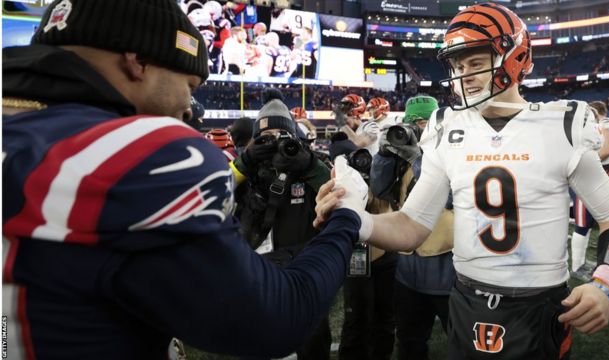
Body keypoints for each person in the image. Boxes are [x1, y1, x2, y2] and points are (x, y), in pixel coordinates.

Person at [2, 0, 362, 358]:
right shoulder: (146, 154)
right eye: (189, 85)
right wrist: (347, 218)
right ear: (138, 60)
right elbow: (279, 319)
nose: (189, 107)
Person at [314, 3, 609, 359]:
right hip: (466, 301)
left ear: (514, 57)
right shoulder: (446, 127)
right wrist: (355, 218)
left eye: (476, 63)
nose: (464, 75)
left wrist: (606, 282)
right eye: (458, 65)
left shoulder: (562, 124)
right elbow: (410, 227)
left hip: (539, 305)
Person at [230, 89, 334, 359]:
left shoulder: (312, 164)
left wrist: (310, 166)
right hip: (258, 271)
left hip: (304, 271)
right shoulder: (247, 169)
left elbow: (342, 197)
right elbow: (213, 195)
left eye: (282, 136)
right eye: (267, 138)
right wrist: (245, 162)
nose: (275, 143)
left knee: (312, 341)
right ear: (255, 141)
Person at [372, 95, 456, 360]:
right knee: (408, 342)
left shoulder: (452, 151)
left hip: (447, 267)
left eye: (424, 122)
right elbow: (381, 190)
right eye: (413, 123)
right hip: (408, 269)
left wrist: (419, 159)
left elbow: (453, 197)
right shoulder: (401, 154)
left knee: (460, 341)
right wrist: (385, 155)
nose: (419, 128)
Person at [327, 137, 397, 360]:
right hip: (356, 258)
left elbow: (390, 202)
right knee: (357, 317)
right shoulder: (333, 182)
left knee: (385, 317)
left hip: (384, 254)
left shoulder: (378, 174)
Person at [570, 101, 609, 281]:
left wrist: (584, 161)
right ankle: (578, 265)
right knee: (584, 221)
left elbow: (606, 149)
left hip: (593, 173)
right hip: (592, 174)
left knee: (586, 221)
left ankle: (579, 264)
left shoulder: (604, 123)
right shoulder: (597, 125)